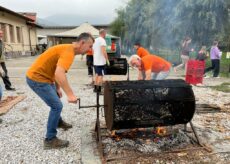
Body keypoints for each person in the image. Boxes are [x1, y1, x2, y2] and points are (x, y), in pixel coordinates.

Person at [26, 33, 94, 149]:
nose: (90, 49)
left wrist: (57, 88)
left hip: (46, 78)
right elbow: (59, 73)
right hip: (37, 79)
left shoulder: (68, 49)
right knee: (57, 106)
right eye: (90, 46)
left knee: (56, 100)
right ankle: (50, 139)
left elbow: (56, 70)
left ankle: (57, 121)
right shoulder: (69, 52)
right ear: (82, 43)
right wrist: (70, 94)